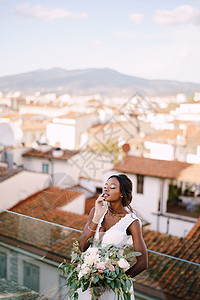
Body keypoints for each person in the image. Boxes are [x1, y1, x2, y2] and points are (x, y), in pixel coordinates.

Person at [79, 174, 148, 299]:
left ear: (122, 193)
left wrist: (114, 282)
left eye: (112, 187)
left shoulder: (132, 222)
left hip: (110, 289)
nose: (106, 189)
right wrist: (96, 219)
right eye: (105, 186)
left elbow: (142, 263)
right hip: (87, 280)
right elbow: (82, 246)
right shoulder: (95, 211)